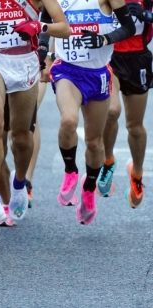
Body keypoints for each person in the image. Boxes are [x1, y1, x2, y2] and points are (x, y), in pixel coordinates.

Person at [0, 0, 70, 233]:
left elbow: (64, 28)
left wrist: (39, 27)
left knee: (20, 137)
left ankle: (19, 183)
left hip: (24, 62)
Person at [50, 0, 135, 224]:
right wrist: (45, 54)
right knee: (68, 120)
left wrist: (104, 39)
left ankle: (88, 189)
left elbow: (129, 27)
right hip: (66, 70)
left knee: (94, 142)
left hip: (97, 74)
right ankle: (70, 171)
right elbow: (47, 22)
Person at [97, 1, 151, 208]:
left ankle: (136, 174)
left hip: (138, 59)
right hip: (109, 57)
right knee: (111, 111)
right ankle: (108, 161)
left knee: (135, 127)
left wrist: (147, 15)